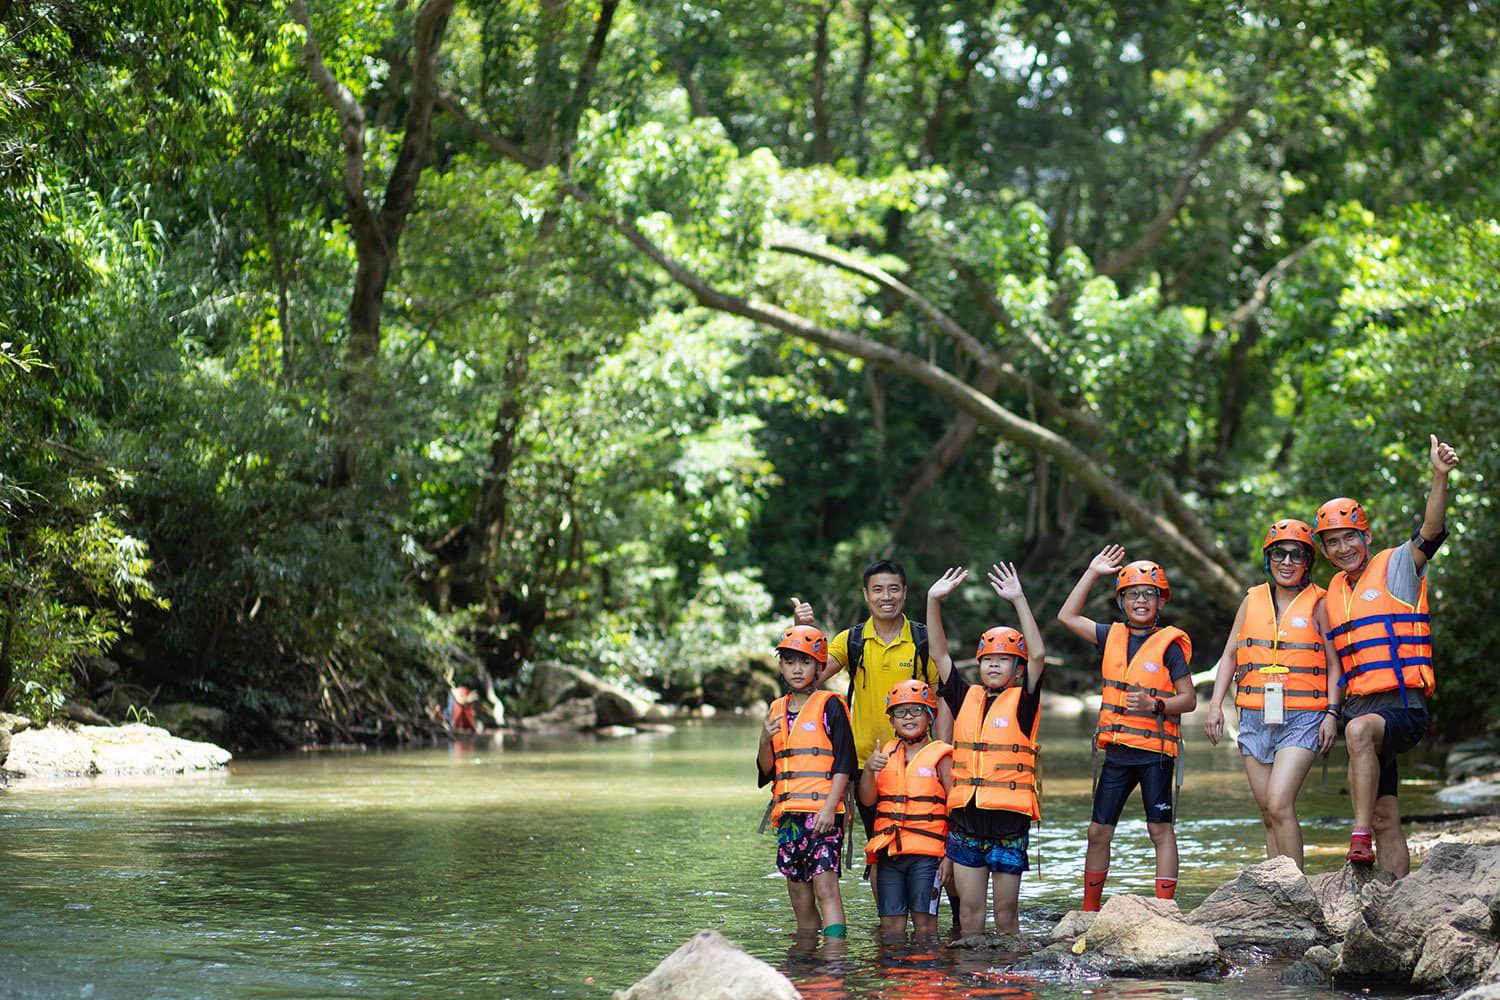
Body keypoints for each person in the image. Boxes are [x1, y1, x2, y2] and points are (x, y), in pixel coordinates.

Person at [1315, 434, 1459, 875]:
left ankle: (1356, 840)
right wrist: (1329, 712)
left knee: (1358, 734)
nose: (1343, 549)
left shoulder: (1398, 565)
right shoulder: (1330, 596)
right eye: (1333, 543)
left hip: (1401, 706)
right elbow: (1335, 663)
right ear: (1324, 550)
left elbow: (1431, 532)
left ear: (1366, 536)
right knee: (1386, 817)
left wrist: (1439, 477)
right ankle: (1398, 894)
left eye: (1349, 538)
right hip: (1360, 704)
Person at [792, 560, 948, 893]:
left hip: (920, 762)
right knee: (880, 849)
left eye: (893, 588)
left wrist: (945, 752)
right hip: (867, 766)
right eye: (877, 589)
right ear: (866, 595)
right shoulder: (852, 640)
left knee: (933, 842)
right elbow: (810, 676)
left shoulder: (922, 639)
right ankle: (888, 930)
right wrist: (801, 629)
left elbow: (941, 698)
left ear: (905, 593)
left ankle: (950, 924)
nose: (886, 596)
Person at [1058, 546, 1196, 911]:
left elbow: (1190, 699)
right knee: (1098, 831)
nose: (1140, 600)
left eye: (1149, 594)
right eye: (1132, 593)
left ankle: (1165, 908)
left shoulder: (1169, 647)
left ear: (1160, 602)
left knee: (1159, 830)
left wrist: (1156, 705)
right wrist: (1092, 571)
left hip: (1156, 753)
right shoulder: (1109, 635)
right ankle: (1090, 909)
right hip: (1118, 751)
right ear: (1121, 601)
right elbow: (1067, 616)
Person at [1202, 520, 1340, 869]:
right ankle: (1275, 888)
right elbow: (1231, 653)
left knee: (1280, 804)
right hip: (1254, 715)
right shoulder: (1252, 600)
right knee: (1267, 812)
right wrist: (1216, 705)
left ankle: (1296, 891)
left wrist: (1332, 714)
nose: (1288, 561)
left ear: (1308, 561)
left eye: (1297, 555)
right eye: (1280, 553)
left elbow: (1336, 665)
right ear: (1269, 558)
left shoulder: (1320, 603)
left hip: (1304, 716)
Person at [925, 563, 1046, 936]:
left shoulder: (1024, 703)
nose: (994, 664)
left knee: (1007, 919)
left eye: (1003, 659)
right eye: (988, 659)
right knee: (970, 918)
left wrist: (1018, 599)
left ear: (1017, 668)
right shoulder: (965, 697)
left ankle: (1011, 987)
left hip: (1009, 825)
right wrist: (933, 600)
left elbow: (1039, 654)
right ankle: (970, 981)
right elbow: (939, 654)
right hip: (966, 825)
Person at [757, 625, 857, 937]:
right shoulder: (776, 709)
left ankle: (834, 955)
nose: (797, 669)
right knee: (798, 892)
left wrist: (829, 809)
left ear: (818, 666)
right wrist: (763, 739)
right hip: (788, 815)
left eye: (805, 662)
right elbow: (766, 770)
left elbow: (845, 763)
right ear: (781, 667)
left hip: (823, 812)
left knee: (825, 887)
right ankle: (806, 955)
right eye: (789, 662)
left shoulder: (831, 705)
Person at [859, 679, 953, 938]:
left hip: (928, 856)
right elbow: (868, 801)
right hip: (891, 852)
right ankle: (896, 976)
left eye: (916, 710)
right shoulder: (885, 754)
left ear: (930, 716)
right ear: (891, 721)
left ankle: (926, 976)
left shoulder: (941, 755)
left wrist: (949, 856)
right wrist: (869, 769)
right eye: (900, 712)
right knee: (891, 928)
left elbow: (955, 808)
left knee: (924, 926)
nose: (908, 717)